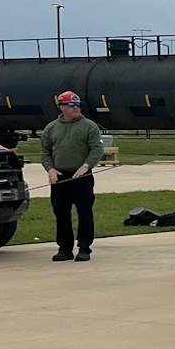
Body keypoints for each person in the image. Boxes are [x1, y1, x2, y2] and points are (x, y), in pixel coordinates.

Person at [39, 91, 104, 262]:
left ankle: (84, 247)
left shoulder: (89, 126)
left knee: (84, 212)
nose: (75, 108)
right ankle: (64, 248)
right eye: (71, 105)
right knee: (61, 213)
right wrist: (50, 169)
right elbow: (45, 150)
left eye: (77, 105)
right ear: (61, 107)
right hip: (60, 177)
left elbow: (97, 148)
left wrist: (86, 166)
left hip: (81, 176)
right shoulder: (51, 128)